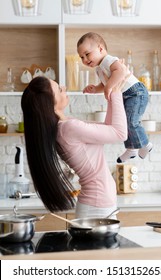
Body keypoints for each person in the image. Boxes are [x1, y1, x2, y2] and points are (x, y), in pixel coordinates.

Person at [21, 71, 128, 218]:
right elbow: (120, 133)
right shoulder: (68, 128)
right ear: (50, 104)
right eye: (59, 89)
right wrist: (116, 93)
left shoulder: (65, 126)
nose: (64, 88)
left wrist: (110, 91)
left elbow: (109, 128)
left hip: (98, 205)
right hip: (96, 208)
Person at [77, 32, 153, 163]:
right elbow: (105, 83)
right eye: (81, 57)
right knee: (125, 123)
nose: (85, 60)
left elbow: (120, 71)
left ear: (101, 49)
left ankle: (146, 145)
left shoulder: (109, 60)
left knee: (131, 121)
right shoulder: (99, 69)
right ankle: (131, 149)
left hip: (136, 92)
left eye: (87, 54)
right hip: (127, 95)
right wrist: (96, 89)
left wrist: (108, 87)